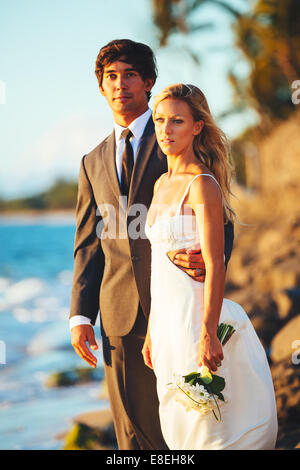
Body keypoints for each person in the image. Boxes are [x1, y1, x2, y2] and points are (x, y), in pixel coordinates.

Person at [69, 40, 234, 450]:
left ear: (148, 83)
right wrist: (80, 315)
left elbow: (217, 212)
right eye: (111, 77)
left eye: (129, 75)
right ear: (101, 87)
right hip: (118, 313)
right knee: (131, 430)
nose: (120, 84)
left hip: (178, 307)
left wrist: (211, 260)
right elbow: (89, 242)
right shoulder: (92, 161)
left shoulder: (171, 135)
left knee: (184, 422)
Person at [143, 83, 278, 450]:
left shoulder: (202, 184)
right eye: (159, 120)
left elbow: (216, 266)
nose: (165, 130)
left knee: (206, 424)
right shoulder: (159, 184)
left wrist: (207, 332)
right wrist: (152, 329)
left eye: (176, 121)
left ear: (197, 127)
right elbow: (158, 265)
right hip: (166, 323)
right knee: (177, 418)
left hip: (194, 316)